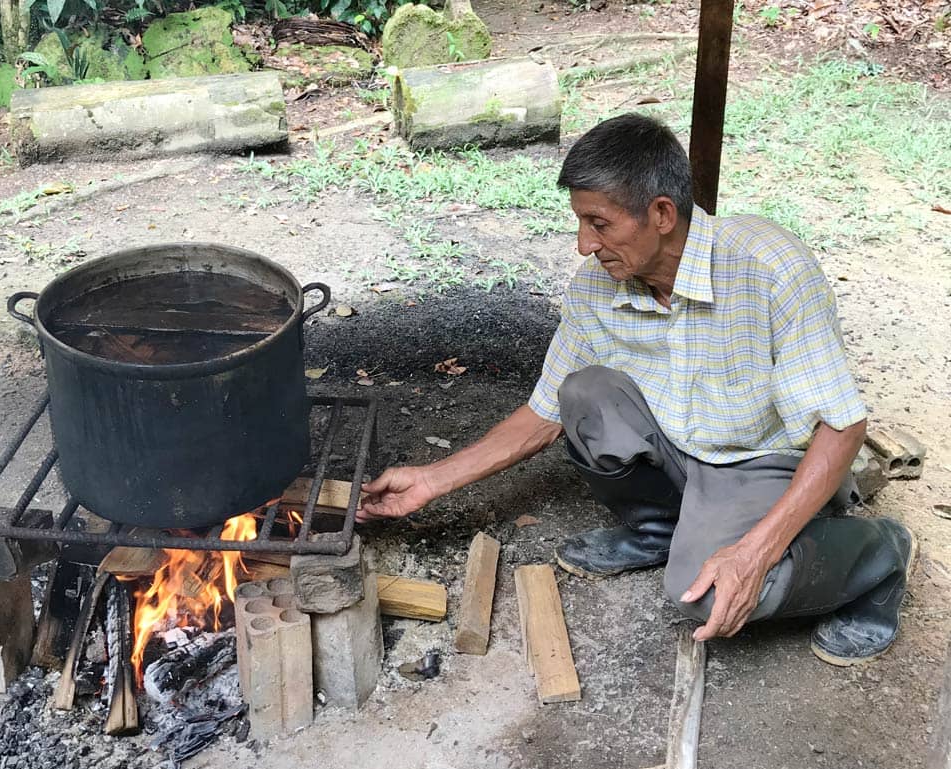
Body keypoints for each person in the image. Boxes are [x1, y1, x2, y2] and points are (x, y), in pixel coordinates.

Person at [355, 113, 915, 665]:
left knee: (711, 595)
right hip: (680, 443)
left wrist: (754, 552)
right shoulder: (596, 289)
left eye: (599, 224)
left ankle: (878, 556)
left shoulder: (770, 268)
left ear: (663, 214)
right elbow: (544, 414)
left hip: (761, 461)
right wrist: (430, 480)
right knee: (584, 393)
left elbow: (843, 428)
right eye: (580, 222)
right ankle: (663, 530)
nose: (583, 244)